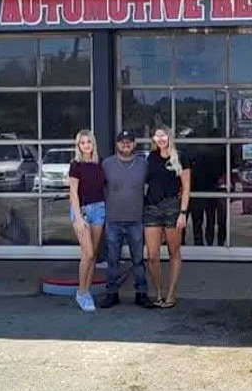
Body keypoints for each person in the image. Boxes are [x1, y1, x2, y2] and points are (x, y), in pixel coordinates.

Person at [99, 130, 154, 309]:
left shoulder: (143, 164)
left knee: (138, 260)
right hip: (113, 219)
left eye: (129, 141)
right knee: (113, 259)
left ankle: (141, 294)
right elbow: (99, 188)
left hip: (136, 219)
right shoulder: (106, 164)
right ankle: (112, 293)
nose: (125, 144)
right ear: (117, 144)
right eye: (122, 142)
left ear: (134, 144)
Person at [144, 125, 191, 308]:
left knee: (174, 252)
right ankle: (158, 292)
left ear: (169, 137)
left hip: (173, 207)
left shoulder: (181, 157)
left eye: (164, 135)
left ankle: (171, 293)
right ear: (154, 139)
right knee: (153, 256)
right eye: (157, 136)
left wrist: (183, 213)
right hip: (152, 208)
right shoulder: (151, 158)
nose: (161, 139)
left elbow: (186, 188)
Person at [68, 129, 105, 312]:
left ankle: (87, 291)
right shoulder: (76, 165)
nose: (86, 146)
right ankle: (81, 292)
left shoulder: (100, 163)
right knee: (88, 253)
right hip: (81, 210)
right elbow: (73, 193)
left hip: (99, 209)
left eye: (88, 142)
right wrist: (78, 216)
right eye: (82, 143)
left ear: (93, 144)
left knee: (94, 254)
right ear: (78, 145)